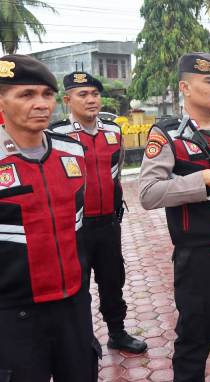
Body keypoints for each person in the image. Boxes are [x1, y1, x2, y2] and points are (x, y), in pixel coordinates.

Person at [139, 53, 210, 381]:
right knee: (194, 341)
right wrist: (201, 181)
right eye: (209, 82)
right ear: (185, 87)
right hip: (200, 255)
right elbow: (148, 193)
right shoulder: (168, 134)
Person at [0, 55, 99, 381]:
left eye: (46, 94)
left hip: (73, 304)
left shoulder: (71, 151)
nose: (41, 103)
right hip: (14, 314)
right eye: (26, 95)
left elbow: (78, 227)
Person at [49, 72, 147, 354]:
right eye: (83, 95)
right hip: (75, 227)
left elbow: (116, 172)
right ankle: (81, 340)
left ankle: (117, 332)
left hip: (108, 223)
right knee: (76, 285)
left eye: (95, 94)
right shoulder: (56, 135)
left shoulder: (113, 132)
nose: (91, 100)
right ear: (67, 100)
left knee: (112, 278)